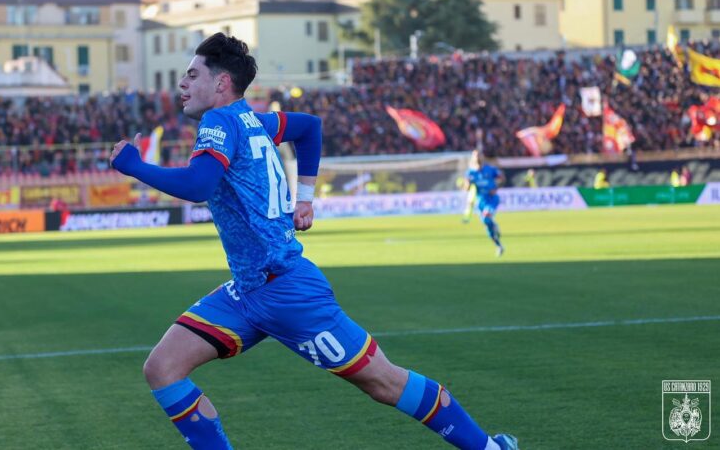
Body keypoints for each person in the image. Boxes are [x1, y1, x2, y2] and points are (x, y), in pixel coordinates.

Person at [109, 33, 518, 450]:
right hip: (248, 290)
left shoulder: (219, 122)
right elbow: (309, 127)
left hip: (287, 291)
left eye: (192, 75)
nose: (182, 83)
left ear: (221, 83)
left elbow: (199, 185)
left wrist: (135, 166)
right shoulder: (254, 121)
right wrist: (304, 198)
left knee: (384, 382)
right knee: (162, 368)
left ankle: (490, 448)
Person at [463, 150, 505, 257]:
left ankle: (494, 226)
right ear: (472, 158)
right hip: (480, 202)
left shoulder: (490, 169)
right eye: (475, 156)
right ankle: (499, 245)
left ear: (482, 157)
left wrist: (496, 187)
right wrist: (467, 183)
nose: (477, 158)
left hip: (492, 199)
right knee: (487, 224)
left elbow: (502, 178)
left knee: (487, 216)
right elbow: (467, 189)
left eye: (479, 155)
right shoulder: (470, 173)